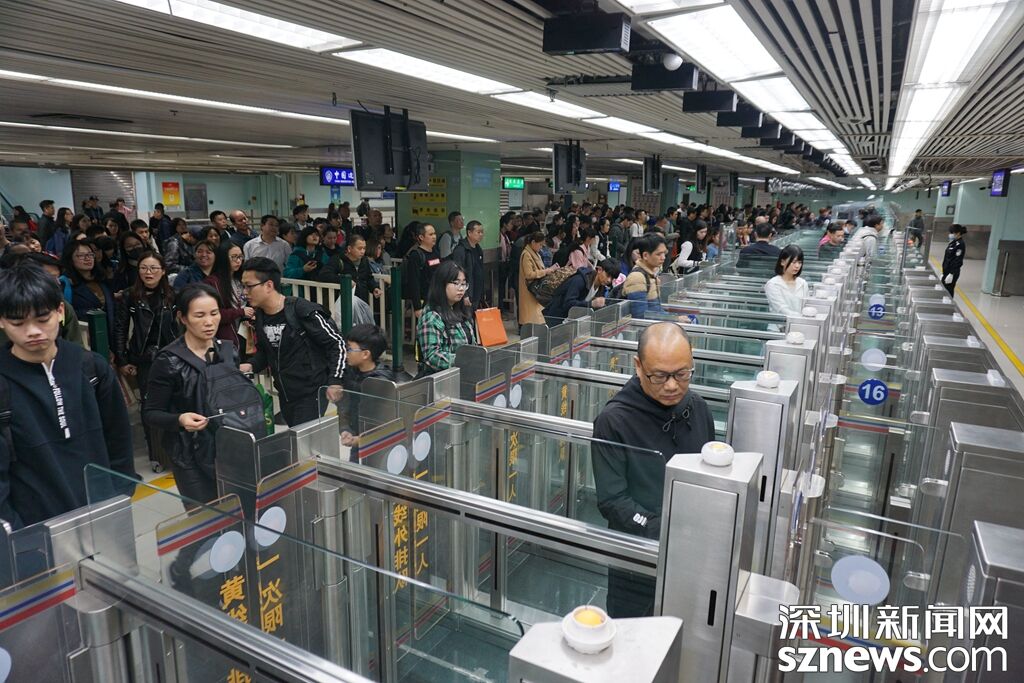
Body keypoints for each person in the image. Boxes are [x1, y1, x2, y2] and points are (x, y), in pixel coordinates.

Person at [0, 262, 137, 528]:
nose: (33, 331)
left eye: (43, 319)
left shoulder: (91, 368)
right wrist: (13, 530)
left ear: (60, 312)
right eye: (18, 322)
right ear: (2, 321)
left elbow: (118, 438)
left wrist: (120, 493)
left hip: (102, 513)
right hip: (32, 527)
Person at [592, 322, 715, 616]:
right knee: (633, 629)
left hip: (692, 549)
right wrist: (660, 527)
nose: (672, 386)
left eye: (682, 374)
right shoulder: (614, 420)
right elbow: (612, 501)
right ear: (638, 366)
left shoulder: (697, 406)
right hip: (636, 556)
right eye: (659, 376)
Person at [144, 284, 248, 505]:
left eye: (214, 313)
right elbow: (151, 413)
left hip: (229, 448)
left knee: (237, 510)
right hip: (188, 455)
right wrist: (180, 420)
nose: (209, 322)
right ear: (183, 318)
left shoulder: (228, 351)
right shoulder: (168, 361)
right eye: (199, 315)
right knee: (206, 517)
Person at [239, 258, 346, 426]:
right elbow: (266, 352)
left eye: (248, 286)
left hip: (311, 393)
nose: (244, 292)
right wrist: (250, 365)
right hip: (285, 393)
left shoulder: (301, 310)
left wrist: (335, 381)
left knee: (305, 439)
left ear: (268, 285)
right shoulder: (260, 316)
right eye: (243, 286)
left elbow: (337, 343)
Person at [114, 252, 178, 472]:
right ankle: (156, 455)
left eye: (153, 268)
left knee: (174, 402)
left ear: (163, 271)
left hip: (171, 357)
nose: (148, 273)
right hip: (144, 359)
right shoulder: (130, 295)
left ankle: (175, 452)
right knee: (150, 406)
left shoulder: (172, 295)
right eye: (143, 268)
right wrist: (122, 358)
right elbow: (121, 328)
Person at [338, 324, 398, 455]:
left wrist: (361, 440)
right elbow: (345, 405)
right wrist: (345, 429)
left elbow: (386, 423)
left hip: (380, 447)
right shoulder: (350, 373)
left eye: (349, 349)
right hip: (358, 441)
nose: (345, 352)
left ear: (365, 354)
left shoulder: (381, 383)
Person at [416, 261, 476, 376]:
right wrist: (464, 361)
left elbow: (472, 345)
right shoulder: (431, 317)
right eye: (456, 283)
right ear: (442, 284)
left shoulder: (461, 311)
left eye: (464, 284)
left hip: (464, 374)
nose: (461, 289)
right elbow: (432, 356)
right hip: (442, 379)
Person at [60, 239, 116, 336]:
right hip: (84, 335)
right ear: (70, 259)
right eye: (81, 255)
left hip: (108, 334)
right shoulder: (65, 283)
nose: (88, 258)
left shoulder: (102, 280)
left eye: (90, 254)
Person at [205, 242, 252, 351]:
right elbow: (213, 314)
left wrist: (248, 315)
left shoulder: (241, 279)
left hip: (245, 330)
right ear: (223, 258)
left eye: (240, 257)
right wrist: (240, 312)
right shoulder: (212, 282)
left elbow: (247, 302)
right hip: (225, 335)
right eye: (234, 257)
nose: (238, 261)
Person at [543, 259, 619, 325]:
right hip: (555, 319)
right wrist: (591, 304)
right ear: (599, 270)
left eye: (612, 278)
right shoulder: (580, 280)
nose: (609, 280)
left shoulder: (601, 288)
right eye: (607, 275)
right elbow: (568, 303)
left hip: (574, 323)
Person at [621, 233, 667, 319]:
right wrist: (674, 319)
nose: (663, 257)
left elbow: (657, 309)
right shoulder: (637, 277)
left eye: (664, 253)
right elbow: (640, 316)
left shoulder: (652, 275)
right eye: (659, 254)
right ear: (645, 255)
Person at [518, 230, 558, 326]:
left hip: (535, 291)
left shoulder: (535, 253)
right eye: (540, 245)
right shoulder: (526, 254)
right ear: (533, 242)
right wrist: (546, 271)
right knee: (531, 321)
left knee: (536, 320)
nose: (541, 248)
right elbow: (529, 274)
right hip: (530, 290)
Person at [402, 223, 441, 318]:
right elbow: (414, 282)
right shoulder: (415, 256)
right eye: (430, 234)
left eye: (434, 234)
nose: (434, 237)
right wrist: (417, 307)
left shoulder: (436, 252)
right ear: (421, 237)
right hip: (425, 300)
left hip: (437, 298)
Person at [764, 245, 809, 317]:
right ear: (782, 262)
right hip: (780, 323)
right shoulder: (773, 284)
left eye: (800, 262)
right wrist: (800, 317)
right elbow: (781, 309)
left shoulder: (803, 283)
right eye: (793, 262)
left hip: (801, 322)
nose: (797, 266)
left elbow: (807, 305)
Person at [449, 220, 485, 309]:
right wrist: (465, 295)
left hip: (476, 292)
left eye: (482, 232)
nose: (481, 234)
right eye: (478, 232)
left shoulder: (478, 248)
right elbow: (458, 273)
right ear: (469, 232)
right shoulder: (461, 250)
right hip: (466, 294)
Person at [942, 224, 966, 297]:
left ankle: (949, 303)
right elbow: (947, 257)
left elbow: (958, 260)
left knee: (949, 291)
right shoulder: (953, 243)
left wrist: (951, 273)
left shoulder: (960, 244)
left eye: (952, 233)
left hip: (952, 272)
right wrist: (943, 272)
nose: (951, 235)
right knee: (944, 290)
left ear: (958, 233)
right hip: (947, 270)